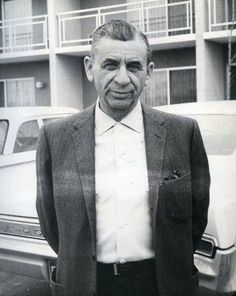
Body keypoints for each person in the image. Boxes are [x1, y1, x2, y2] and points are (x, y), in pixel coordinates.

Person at [36, 19, 210, 296]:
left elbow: (196, 218)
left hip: (161, 284)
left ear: (149, 72)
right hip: (86, 284)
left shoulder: (183, 133)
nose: (122, 78)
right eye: (109, 64)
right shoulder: (54, 137)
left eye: (133, 66)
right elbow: (52, 226)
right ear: (89, 68)